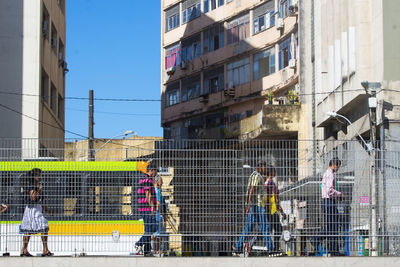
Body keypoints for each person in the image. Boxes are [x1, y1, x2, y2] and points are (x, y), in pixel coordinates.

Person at [233, 160, 272, 255]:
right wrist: (248, 205)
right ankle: (271, 250)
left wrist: (249, 204)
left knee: (249, 227)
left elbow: (249, 191)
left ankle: (237, 246)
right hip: (257, 206)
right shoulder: (256, 176)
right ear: (260, 166)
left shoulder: (255, 175)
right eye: (264, 167)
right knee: (265, 227)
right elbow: (251, 190)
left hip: (255, 206)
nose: (265, 169)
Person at [20, 168, 53, 257]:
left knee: (28, 230)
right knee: (43, 227)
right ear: (34, 176)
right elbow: (33, 198)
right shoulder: (32, 186)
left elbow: (40, 201)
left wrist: (47, 210)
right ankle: (44, 250)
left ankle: (24, 250)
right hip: (33, 210)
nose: (40, 177)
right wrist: (39, 190)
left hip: (35, 209)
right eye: (38, 175)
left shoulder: (35, 185)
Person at [317, 157, 343, 255]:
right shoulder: (330, 175)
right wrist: (339, 194)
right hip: (329, 202)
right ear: (334, 165)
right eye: (338, 166)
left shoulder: (327, 174)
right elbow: (329, 191)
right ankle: (332, 250)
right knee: (333, 226)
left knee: (332, 226)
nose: (338, 168)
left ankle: (333, 249)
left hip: (328, 202)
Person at [135, 161, 157, 256]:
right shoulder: (148, 180)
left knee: (148, 229)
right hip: (147, 209)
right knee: (152, 227)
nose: (156, 174)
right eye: (156, 172)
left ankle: (147, 251)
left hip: (143, 208)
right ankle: (138, 244)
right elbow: (148, 194)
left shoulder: (142, 179)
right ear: (151, 170)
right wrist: (152, 206)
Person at [264, 166, 286, 255]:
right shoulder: (270, 183)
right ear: (272, 172)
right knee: (277, 229)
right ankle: (275, 249)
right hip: (271, 210)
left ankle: (275, 249)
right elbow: (274, 199)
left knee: (268, 229)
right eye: (275, 171)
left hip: (269, 209)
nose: (276, 173)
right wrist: (281, 211)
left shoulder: (267, 182)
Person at [151, 175, 165, 255]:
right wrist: (162, 214)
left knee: (156, 233)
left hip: (154, 214)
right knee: (160, 234)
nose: (162, 184)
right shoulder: (158, 191)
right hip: (158, 214)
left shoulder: (153, 190)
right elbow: (158, 204)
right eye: (161, 182)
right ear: (157, 182)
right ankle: (158, 249)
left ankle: (154, 249)